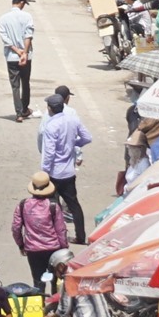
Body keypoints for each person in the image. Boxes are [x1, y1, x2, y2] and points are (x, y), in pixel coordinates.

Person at [36, 90, 92, 240]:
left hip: (54, 173)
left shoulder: (51, 126)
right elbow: (87, 137)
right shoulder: (73, 120)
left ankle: (59, 235)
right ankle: (81, 236)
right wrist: (74, 144)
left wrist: (44, 173)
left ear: (50, 109)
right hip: (68, 172)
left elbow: (49, 153)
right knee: (74, 205)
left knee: (54, 206)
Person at [11, 171, 69, 282]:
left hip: (33, 250)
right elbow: (61, 230)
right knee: (56, 281)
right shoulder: (53, 206)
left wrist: (21, 245)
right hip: (53, 249)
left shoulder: (23, 205)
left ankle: (40, 298)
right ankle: (54, 299)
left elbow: (16, 228)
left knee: (38, 282)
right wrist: (64, 247)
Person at [0, 0, 36, 121]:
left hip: (11, 57)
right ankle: (25, 109)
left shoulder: (3, 18)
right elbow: (28, 35)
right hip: (26, 57)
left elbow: (5, 38)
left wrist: (16, 51)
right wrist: (24, 52)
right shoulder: (27, 17)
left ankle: (18, 114)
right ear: (22, 3)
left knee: (15, 86)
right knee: (25, 83)